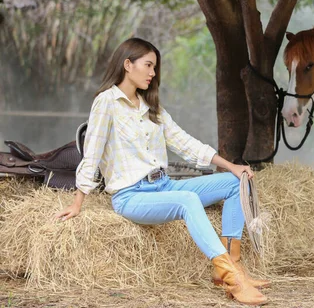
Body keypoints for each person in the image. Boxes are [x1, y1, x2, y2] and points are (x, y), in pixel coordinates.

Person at [55, 38, 268, 306]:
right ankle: (233, 278)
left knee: (233, 182)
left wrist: (232, 166)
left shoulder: (150, 106)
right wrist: (77, 202)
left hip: (164, 186)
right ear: (127, 64)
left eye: (155, 67)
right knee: (188, 201)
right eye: (148, 65)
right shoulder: (106, 102)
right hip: (131, 196)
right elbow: (93, 152)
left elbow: (185, 142)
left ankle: (229, 267)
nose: (153, 73)